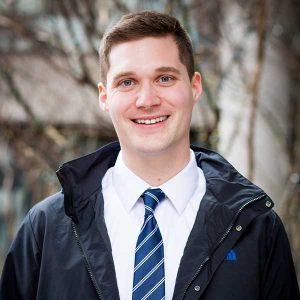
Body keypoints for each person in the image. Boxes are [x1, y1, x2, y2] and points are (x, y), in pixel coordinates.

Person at [0, 10, 299, 300]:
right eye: (127, 82)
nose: (147, 100)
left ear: (195, 87)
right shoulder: (46, 228)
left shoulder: (258, 228)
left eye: (165, 78)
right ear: (104, 97)